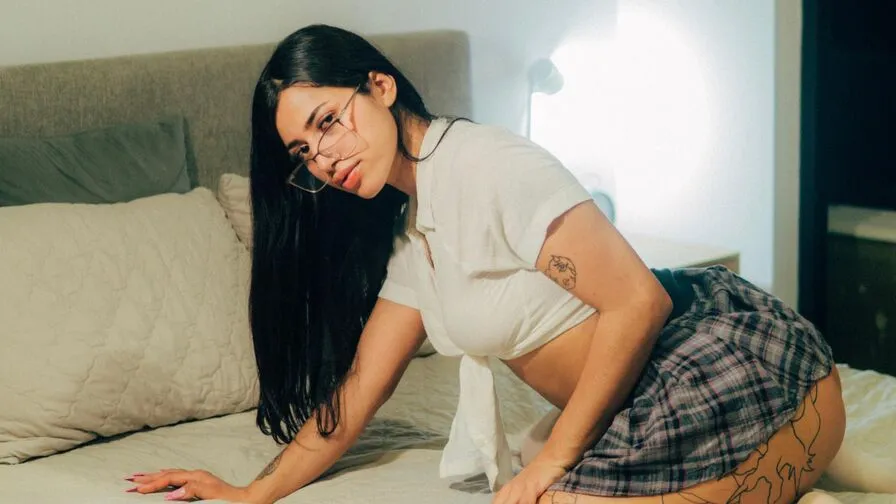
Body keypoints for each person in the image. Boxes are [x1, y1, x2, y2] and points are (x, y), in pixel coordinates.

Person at [125, 24, 846, 504]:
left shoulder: (484, 164)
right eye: (304, 153)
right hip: (635, 403)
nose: (325, 157)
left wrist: (552, 462)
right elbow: (359, 391)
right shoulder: (413, 231)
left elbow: (638, 301)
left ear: (380, 87)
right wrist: (251, 494)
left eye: (327, 123)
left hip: (717, 368)